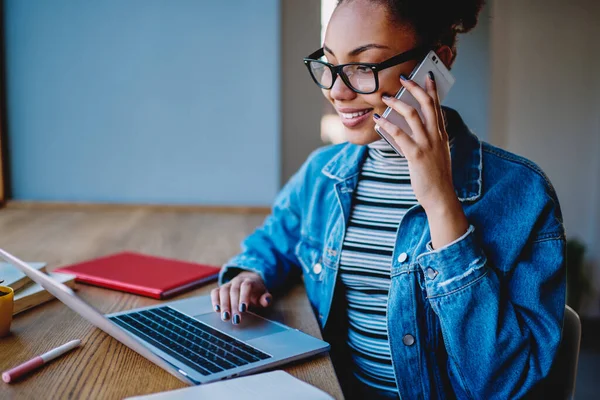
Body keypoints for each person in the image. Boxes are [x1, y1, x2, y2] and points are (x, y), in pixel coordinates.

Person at [212, 0, 566, 398]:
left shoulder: (522, 194)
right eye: (329, 64)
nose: (338, 91)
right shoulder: (322, 173)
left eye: (364, 66)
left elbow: (505, 381)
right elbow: (275, 239)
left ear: (437, 62)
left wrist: (440, 203)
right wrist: (250, 274)